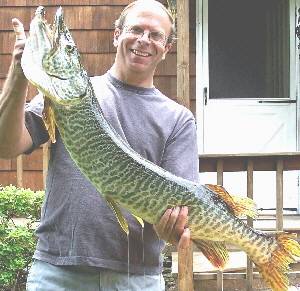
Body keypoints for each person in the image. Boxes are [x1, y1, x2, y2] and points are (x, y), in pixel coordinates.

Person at [0, 0, 199, 290]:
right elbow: (7, 146)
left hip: (135, 278)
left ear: (167, 48)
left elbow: (182, 209)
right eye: (136, 29)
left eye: (155, 35)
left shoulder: (178, 119)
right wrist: (19, 73)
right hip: (57, 272)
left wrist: (174, 227)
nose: (144, 40)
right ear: (116, 34)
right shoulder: (68, 94)